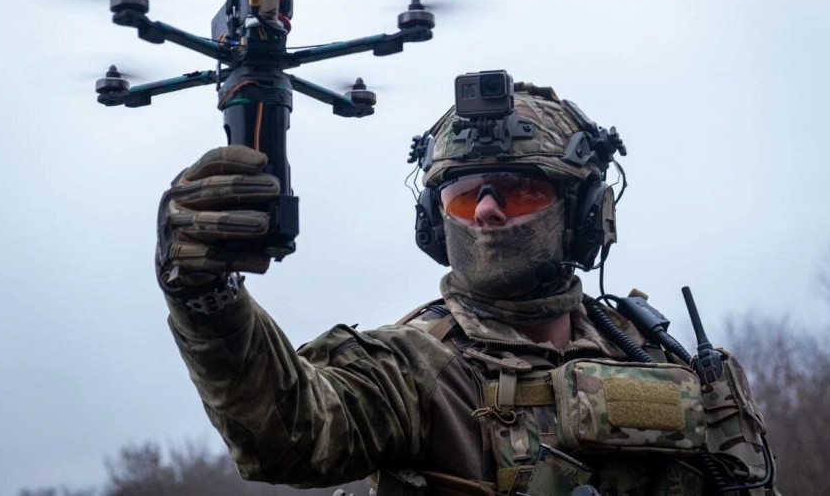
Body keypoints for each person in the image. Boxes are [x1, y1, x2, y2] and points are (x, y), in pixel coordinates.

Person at [156, 76, 777, 495]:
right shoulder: (412, 366)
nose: (485, 212)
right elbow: (287, 430)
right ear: (434, 222)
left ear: (585, 214)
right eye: (460, 196)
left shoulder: (661, 358)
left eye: (517, 190)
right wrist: (208, 297)